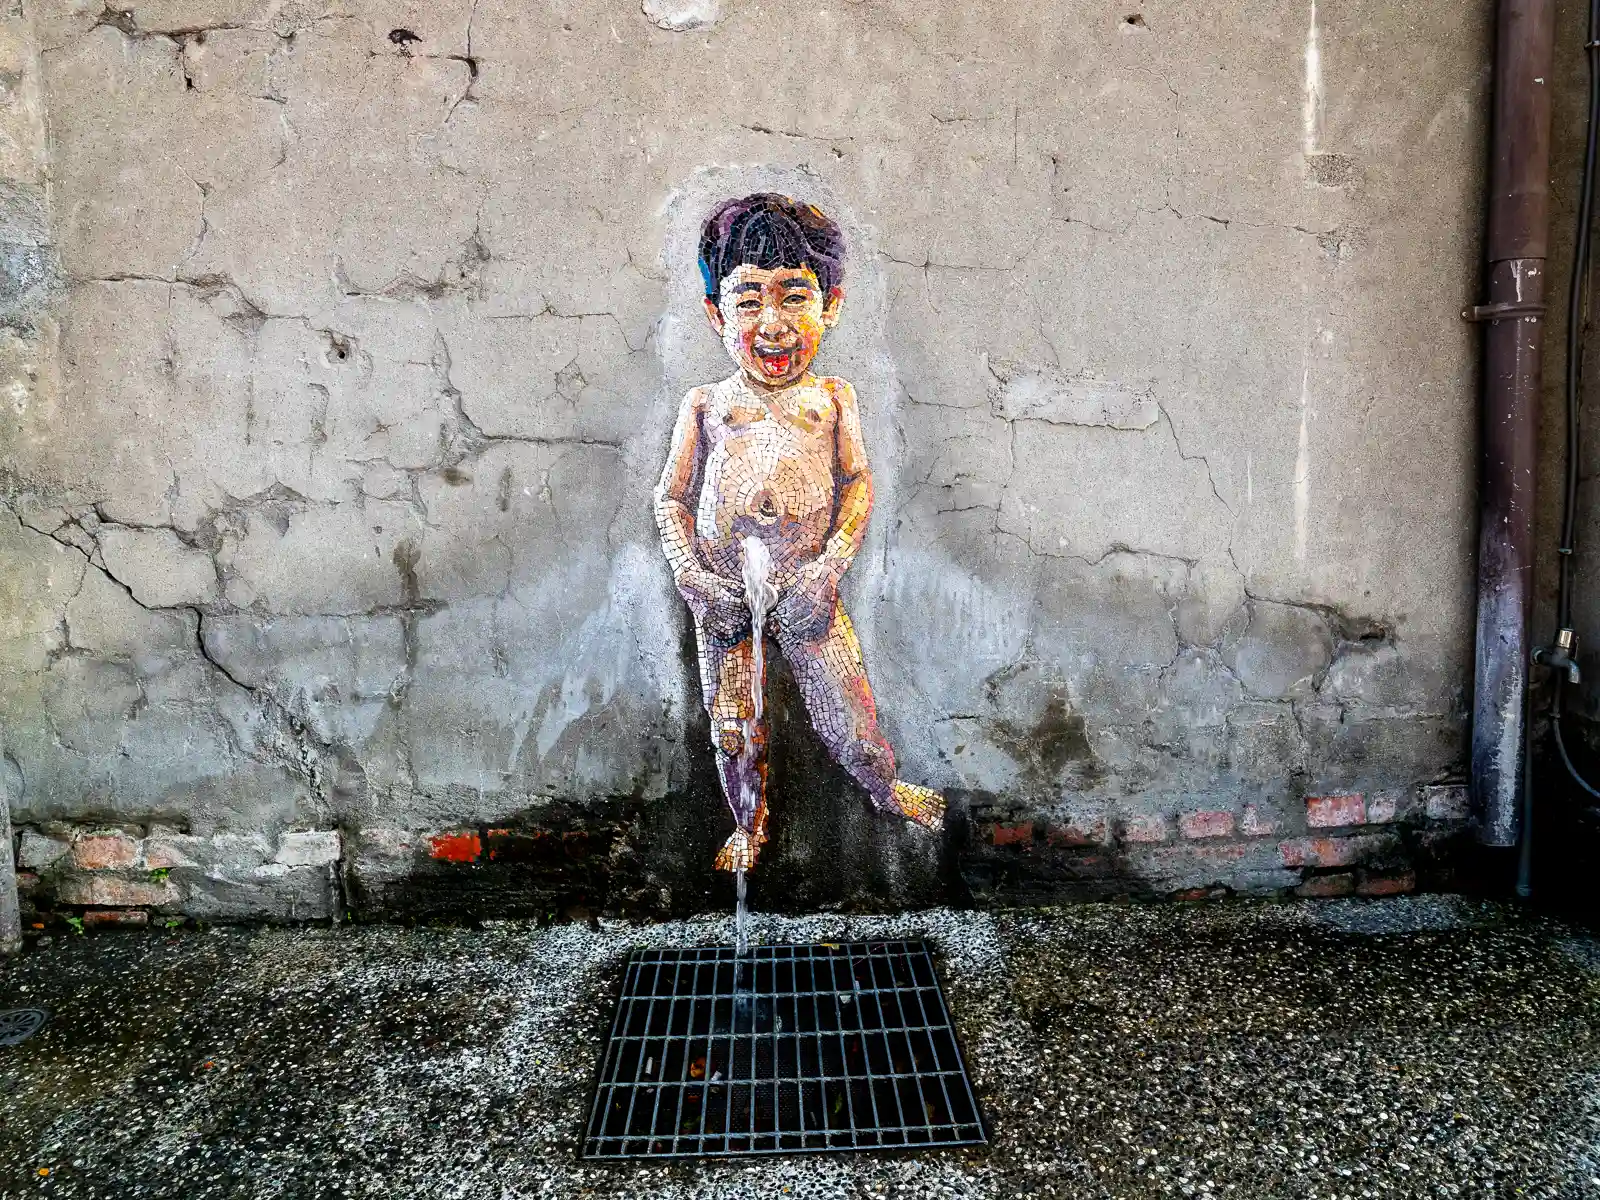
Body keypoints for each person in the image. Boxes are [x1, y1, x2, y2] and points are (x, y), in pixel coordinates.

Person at [653, 193, 945, 873]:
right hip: (725, 599)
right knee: (734, 732)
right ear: (715, 313)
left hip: (807, 591)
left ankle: (884, 786)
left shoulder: (833, 399)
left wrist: (829, 566)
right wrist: (692, 577)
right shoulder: (707, 404)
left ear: (830, 305)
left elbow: (859, 486)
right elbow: (669, 497)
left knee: (853, 726)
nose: (772, 324)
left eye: (792, 297)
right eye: (748, 300)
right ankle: (748, 825)